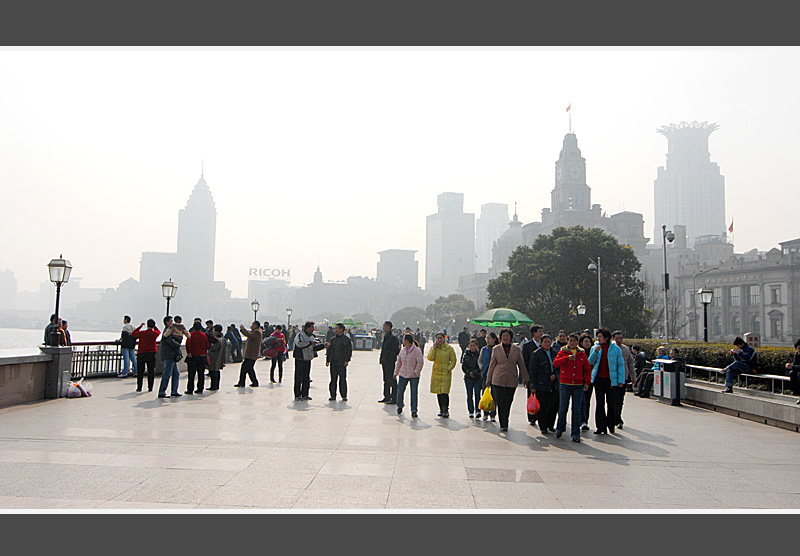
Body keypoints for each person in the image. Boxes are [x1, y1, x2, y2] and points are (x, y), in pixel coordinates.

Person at [485, 328, 528, 433]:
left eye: (507, 336)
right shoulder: (496, 349)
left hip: (511, 379)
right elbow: (492, 365)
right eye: (503, 336)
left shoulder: (516, 349)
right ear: (500, 337)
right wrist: (488, 379)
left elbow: (521, 365)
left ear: (510, 337)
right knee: (500, 401)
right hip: (498, 378)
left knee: (508, 401)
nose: (505, 338)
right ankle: (503, 423)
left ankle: (506, 419)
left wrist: (526, 379)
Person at [553, 333, 592, 442]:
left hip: (578, 385)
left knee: (576, 410)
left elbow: (587, 369)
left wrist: (587, 382)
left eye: (574, 341)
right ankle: (560, 428)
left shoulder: (581, 354)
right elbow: (555, 363)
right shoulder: (563, 351)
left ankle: (575, 433)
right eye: (570, 341)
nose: (572, 343)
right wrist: (566, 358)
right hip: (565, 384)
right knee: (563, 408)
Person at [587, 329, 626, 435]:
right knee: (600, 403)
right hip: (599, 379)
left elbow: (620, 365)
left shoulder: (615, 349)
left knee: (612, 403)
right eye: (597, 336)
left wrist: (620, 380)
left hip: (611, 380)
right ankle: (600, 426)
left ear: (606, 338)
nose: (598, 338)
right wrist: (595, 352)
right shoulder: (595, 348)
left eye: (600, 336)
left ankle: (611, 424)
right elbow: (590, 362)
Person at [528, 334, 560, 434]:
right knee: (543, 406)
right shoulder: (536, 354)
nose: (547, 344)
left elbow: (558, 367)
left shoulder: (555, 353)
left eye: (549, 342)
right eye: (545, 342)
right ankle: (543, 426)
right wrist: (532, 385)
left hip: (554, 384)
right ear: (541, 343)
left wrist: (555, 375)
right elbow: (533, 370)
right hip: (541, 384)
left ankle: (551, 425)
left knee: (554, 405)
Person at [427, 332, 458, 418]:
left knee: (445, 392)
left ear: (444, 338)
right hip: (436, 373)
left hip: (445, 374)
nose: (439, 340)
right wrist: (433, 348)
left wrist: (448, 368)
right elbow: (430, 358)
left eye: (441, 338)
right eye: (438, 338)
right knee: (439, 393)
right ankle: (441, 409)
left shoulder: (449, 349)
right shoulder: (435, 349)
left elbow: (454, 360)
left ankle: (446, 409)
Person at [293, 321, 325, 400]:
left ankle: (305, 394)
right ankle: (297, 395)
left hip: (307, 359)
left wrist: (323, 346)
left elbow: (313, 348)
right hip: (300, 359)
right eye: (312, 327)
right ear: (307, 328)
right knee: (298, 377)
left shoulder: (312, 336)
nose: (313, 329)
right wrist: (310, 343)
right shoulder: (300, 335)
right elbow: (299, 344)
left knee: (306, 377)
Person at [394, 333, 424, 417]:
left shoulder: (417, 350)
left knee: (413, 393)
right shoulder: (403, 350)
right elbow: (399, 362)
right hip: (403, 374)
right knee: (400, 391)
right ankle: (400, 405)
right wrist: (396, 372)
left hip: (413, 375)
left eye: (404, 339)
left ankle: (414, 410)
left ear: (406, 341)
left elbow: (420, 362)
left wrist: (416, 372)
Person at [157, 316, 185, 398]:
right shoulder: (168, 331)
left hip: (172, 355)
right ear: (167, 322)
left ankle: (174, 391)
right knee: (167, 374)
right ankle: (162, 391)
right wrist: (178, 344)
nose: (172, 322)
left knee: (176, 374)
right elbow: (171, 342)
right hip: (169, 355)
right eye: (171, 321)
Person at [612, 330, 635, 429]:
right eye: (617, 338)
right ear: (613, 338)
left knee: (620, 399)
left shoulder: (626, 349)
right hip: (612, 377)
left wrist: (633, 377)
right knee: (613, 399)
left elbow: (630, 363)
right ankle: (613, 418)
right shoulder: (610, 348)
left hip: (623, 377)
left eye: (621, 338)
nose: (619, 340)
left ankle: (618, 418)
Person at [326, 323, 352, 401]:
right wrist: (328, 360)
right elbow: (329, 350)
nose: (335, 329)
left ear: (341, 329)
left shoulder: (347, 340)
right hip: (333, 361)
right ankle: (333, 395)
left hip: (342, 362)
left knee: (342, 379)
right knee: (333, 379)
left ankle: (344, 395)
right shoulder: (333, 339)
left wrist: (347, 360)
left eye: (337, 328)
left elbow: (349, 351)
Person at [133, 319, 160, 392]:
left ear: (147, 325)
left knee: (140, 371)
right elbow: (159, 332)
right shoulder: (154, 333)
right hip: (151, 353)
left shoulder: (142, 333)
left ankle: (139, 387)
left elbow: (134, 333)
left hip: (141, 353)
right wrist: (155, 327)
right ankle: (150, 387)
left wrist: (140, 327)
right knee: (151, 371)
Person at [234, 321, 262, 388]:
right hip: (250, 354)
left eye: (253, 324)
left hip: (251, 354)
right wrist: (243, 330)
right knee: (249, 369)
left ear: (256, 325)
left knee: (244, 368)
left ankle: (242, 382)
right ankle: (254, 382)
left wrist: (243, 329)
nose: (251, 325)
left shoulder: (257, 332)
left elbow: (249, 335)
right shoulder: (255, 331)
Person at [379, 321, 401, 404]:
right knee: (385, 379)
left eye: (384, 326)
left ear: (388, 327)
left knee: (391, 379)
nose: (383, 327)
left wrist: (389, 359)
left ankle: (394, 397)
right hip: (385, 361)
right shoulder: (386, 336)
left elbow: (395, 351)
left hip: (390, 362)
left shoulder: (393, 338)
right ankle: (386, 396)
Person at [185, 321, 210, 394]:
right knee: (201, 374)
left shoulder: (191, 335)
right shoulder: (203, 335)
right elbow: (207, 345)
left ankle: (190, 389)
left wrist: (189, 352)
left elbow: (187, 345)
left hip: (192, 357)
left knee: (191, 374)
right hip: (201, 356)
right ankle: (200, 388)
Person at [479, 331, 499, 422]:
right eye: (486, 338)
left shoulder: (498, 349)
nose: (487, 340)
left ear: (494, 339)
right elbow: (480, 360)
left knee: (494, 395)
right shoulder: (484, 349)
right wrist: (482, 368)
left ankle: (493, 414)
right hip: (485, 374)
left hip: (495, 375)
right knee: (485, 394)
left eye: (489, 338)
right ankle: (485, 413)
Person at [461, 338, 483, 418]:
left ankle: (478, 410)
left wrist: (475, 372)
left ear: (477, 346)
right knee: (469, 395)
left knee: (477, 394)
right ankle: (471, 411)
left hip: (477, 377)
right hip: (468, 377)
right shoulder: (466, 355)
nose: (472, 347)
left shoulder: (480, 354)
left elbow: (481, 365)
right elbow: (463, 366)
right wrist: (468, 372)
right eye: (471, 346)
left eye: (474, 345)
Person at [578, 334, 595, 430]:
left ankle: (585, 421)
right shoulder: (579, 353)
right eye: (585, 342)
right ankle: (581, 420)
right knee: (581, 401)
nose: (587, 343)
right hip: (579, 380)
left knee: (587, 401)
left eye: (589, 342)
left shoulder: (594, 352)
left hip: (590, 380)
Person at [207, 324, 225, 391]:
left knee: (213, 371)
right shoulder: (222, 338)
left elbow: (214, 347)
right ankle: (216, 385)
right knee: (216, 371)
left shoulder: (217, 339)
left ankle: (213, 386)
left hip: (214, 357)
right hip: (218, 357)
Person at [786, 339, 800, 404]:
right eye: (798, 348)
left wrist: (793, 367)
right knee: (792, 373)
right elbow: (795, 365)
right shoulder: (797, 355)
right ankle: (797, 393)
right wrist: (790, 366)